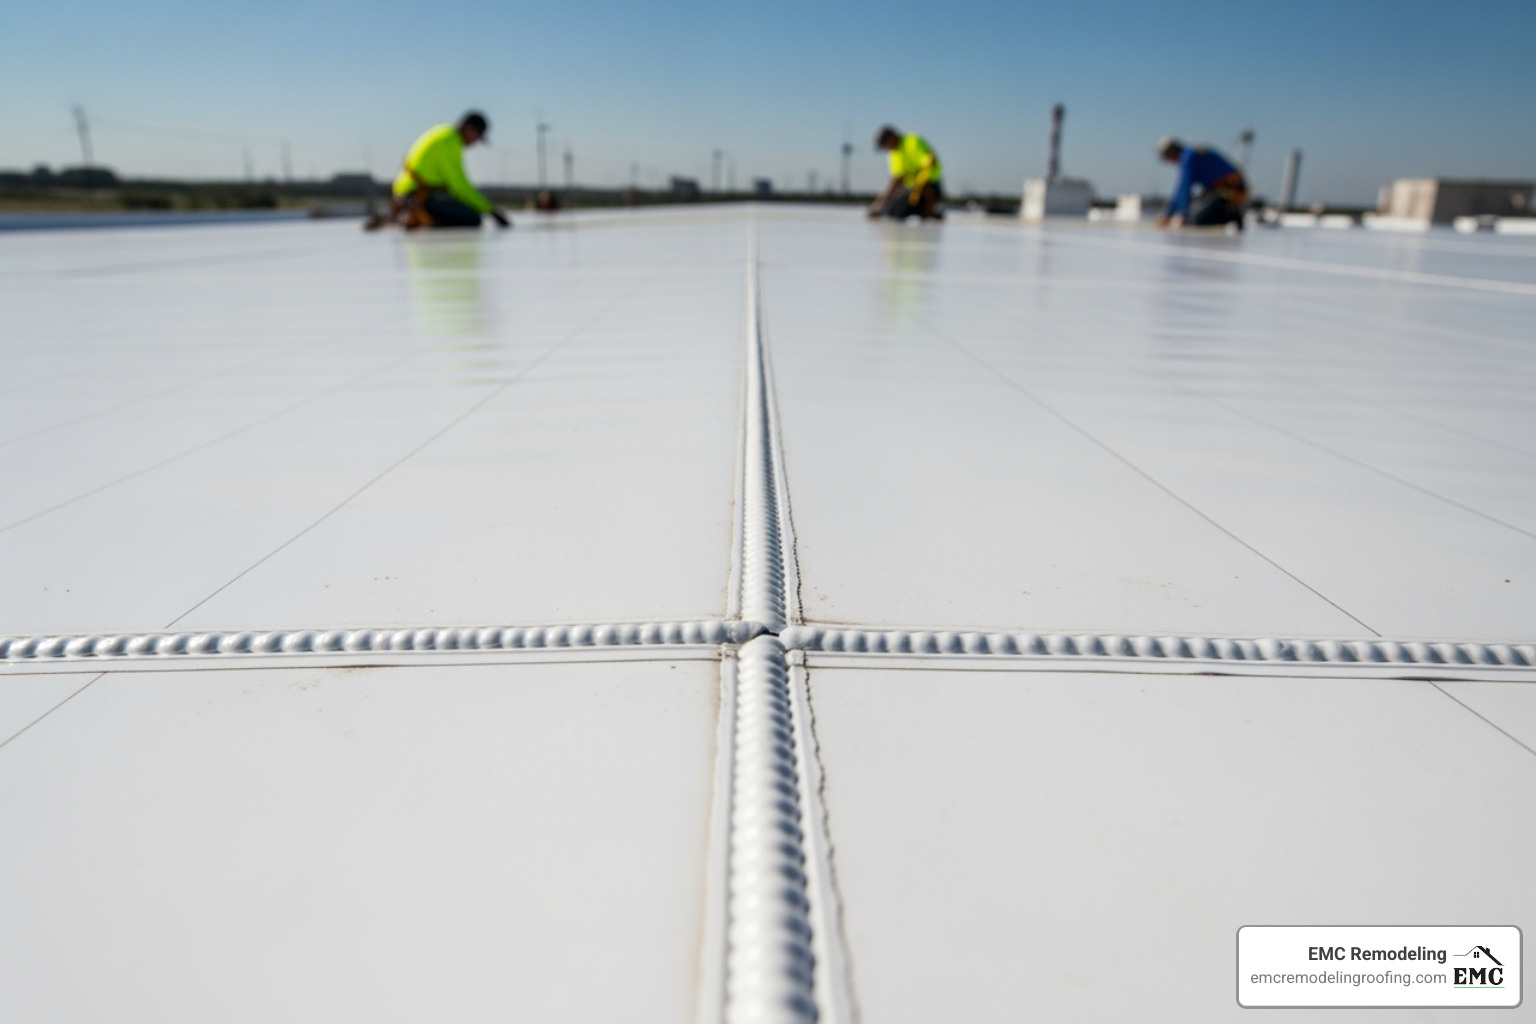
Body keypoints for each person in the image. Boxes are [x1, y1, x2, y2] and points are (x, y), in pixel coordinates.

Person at [366, 112, 510, 231]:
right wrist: (490, 210)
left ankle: (416, 216)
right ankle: (419, 217)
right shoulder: (449, 142)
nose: (475, 143)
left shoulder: (444, 134)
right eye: (477, 137)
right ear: (468, 128)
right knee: (472, 218)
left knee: (463, 211)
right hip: (416, 195)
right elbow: (459, 185)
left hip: (411, 193)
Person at [1156, 137, 1248, 229]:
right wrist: (1170, 214)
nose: (1170, 162)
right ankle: (1227, 212)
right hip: (1218, 190)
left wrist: (1179, 214)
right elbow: (1183, 189)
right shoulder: (1189, 154)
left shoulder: (1188, 157)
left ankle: (1230, 214)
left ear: (1172, 152)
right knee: (1194, 211)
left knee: (1195, 219)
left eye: (1167, 158)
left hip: (1231, 191)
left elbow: (1184, 188)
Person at [868, 126, 944, 220]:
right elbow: (896, 180)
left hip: (931, 185)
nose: (885, 148)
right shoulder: (894, 153)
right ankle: (923, 211)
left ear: (892, 137)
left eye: (885, 144)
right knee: (894, 213)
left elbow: (931, 161)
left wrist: (919, 184)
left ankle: (930, 212)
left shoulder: (911, 141)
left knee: (925, 190)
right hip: (913, 191)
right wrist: (880, 205)